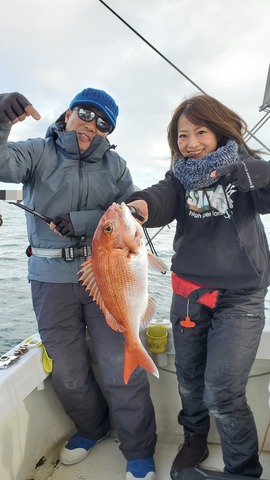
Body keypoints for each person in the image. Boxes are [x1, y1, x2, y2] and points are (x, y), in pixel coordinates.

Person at [0, 89, 157, 480]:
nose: (91, 124)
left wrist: (84, 221)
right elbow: (3, 165)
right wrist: (0, 122)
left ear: (109, 132)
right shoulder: (38, 151)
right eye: (85, 113)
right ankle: (91, 428)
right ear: (69, 113)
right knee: (68, 372)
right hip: (50, 281)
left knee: (122, 366)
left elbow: (131, 217)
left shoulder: (117, 165)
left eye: (104, 122)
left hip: (109, 280)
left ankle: (138, 449)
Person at [127, 93, 270, 479]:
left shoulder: (245, 168)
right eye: (182, 136)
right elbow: (162, 196)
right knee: (190, 381)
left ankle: (243, 469)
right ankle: (194, 439)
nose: (190, 143)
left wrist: (258, 172)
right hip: (189, 293)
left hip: (240, 297)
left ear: (220, 130)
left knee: (222, 390)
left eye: (200, 132)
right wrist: (140, 206)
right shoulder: (180, 175)